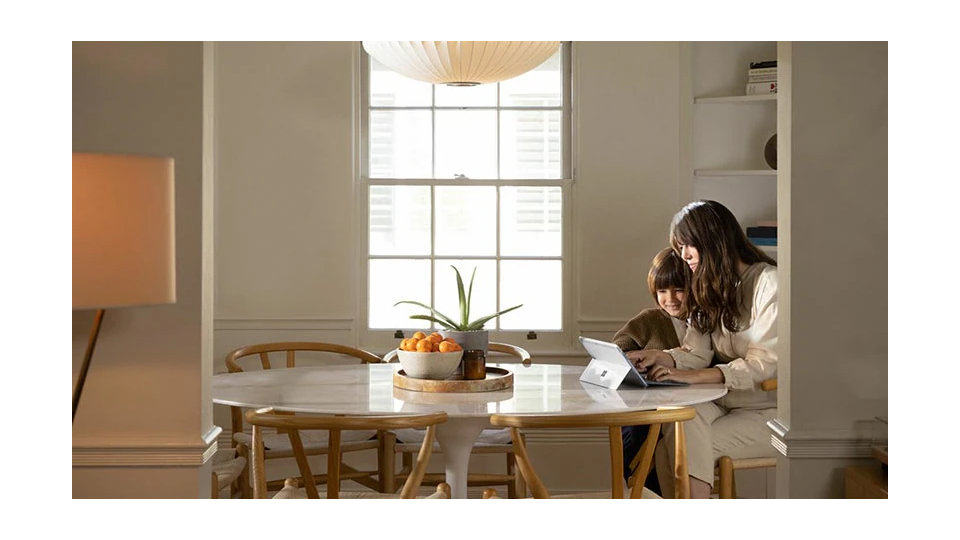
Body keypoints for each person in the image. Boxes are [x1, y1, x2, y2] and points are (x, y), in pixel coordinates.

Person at [634, 200, 778, 499]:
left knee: (671, 450)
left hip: (767, 411)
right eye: (680, 246)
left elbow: (764, 366)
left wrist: (693, 377)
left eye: (688, 245)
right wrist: (661, 357)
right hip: (724, 403)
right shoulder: (713, 284)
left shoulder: (769, 284)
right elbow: (696, 351)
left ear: (713, 239)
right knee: (680, 412)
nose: (684, 255)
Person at [613, 247, 690, 493]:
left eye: (679, 290)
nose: (671, 298)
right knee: (633, 431)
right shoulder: (650, 320)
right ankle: (641, 488)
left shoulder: (705, 323)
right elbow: (618, 347)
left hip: (685, 407)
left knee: (664, 444)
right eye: (662, 291)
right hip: (648, 404)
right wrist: (634, 362)